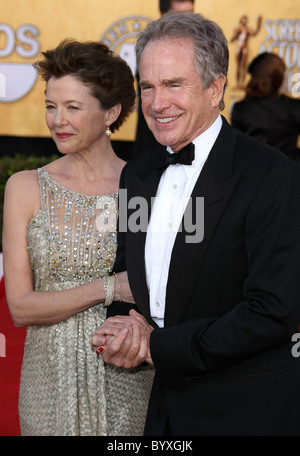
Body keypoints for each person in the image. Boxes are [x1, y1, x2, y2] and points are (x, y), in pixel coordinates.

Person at [92, 12, 300, 436]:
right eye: (147, 86)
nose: (156, 103)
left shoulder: (272, 175)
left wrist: (158, 346)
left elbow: (272, 311)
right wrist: (124, 324)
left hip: (246, 410)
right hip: (164, 412)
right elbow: (129, 271)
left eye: (173, 84)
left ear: (216, 88)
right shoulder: (139, 174)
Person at [2, 39, 154, 436]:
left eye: (72, 107)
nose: (57, 120)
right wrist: (109, 287)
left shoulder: (143, 190)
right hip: (46, 381)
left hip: (125, 377)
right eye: (51, 106)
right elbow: (20, 307)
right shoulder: (24, 188)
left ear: (111, 112)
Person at [131, 0, 195, 159]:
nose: (188, 21)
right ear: (163, 14)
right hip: (152, 147)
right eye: (181, 15)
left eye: (191, 14)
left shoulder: (200, 49)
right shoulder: (149, 50)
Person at [231, 52, 300, 162]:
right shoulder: (294, 107)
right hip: (290, 173)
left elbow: (235, 150)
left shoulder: (241, 108)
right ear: (279, 77)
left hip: (253, 173)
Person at [230, 15, 262, 89]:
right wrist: (235, 34)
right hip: (238, 48)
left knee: (243, 66)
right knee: (238, 66)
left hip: (244, 48)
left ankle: (242, 84)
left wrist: (258, 23)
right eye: (243, 19)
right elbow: (232, 39)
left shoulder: (247, 30)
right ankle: (238, 83)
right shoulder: (238, 29)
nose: (244, 21)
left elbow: (255, 32)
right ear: (241, 20)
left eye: (245, 20)